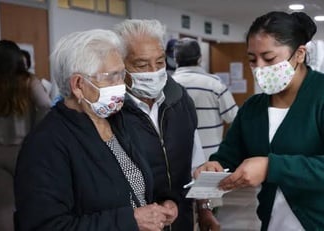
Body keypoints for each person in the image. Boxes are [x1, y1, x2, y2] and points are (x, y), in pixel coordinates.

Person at [195, 11, 324, 231]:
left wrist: (270, 167)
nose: (260, 68)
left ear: (299, 53)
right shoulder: (253, 109)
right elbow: (229, 156)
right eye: (252, 60)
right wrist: (213, 167)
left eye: (269, 58)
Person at [14, 29, 178, 231]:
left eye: (122, 75)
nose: (121, 86)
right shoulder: (46, 144)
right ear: (78, 85)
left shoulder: (119, 120)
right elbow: (45, 225)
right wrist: (130, 221)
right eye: (111, 77)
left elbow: (135, 179)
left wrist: (164, 201)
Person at [113, 19, 218, 231]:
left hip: (181, 219)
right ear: (120, 64)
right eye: (142, 65)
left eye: (159, 62)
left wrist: (205, 209)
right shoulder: (112, 111)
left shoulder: (179, 100)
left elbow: (195, 163)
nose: (153, 71)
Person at [0, 40, 50, 231]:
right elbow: (45, 104)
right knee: (31, 201)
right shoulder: (28, 81)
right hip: (23, 150)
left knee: (3, 207)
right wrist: (36, 130)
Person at [172, 37, 238, 159]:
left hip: (178, 158)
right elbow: (234, 117)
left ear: (175, 59)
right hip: (211, 157)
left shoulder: (167, 86)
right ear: (200, 58)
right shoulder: (214, 84)